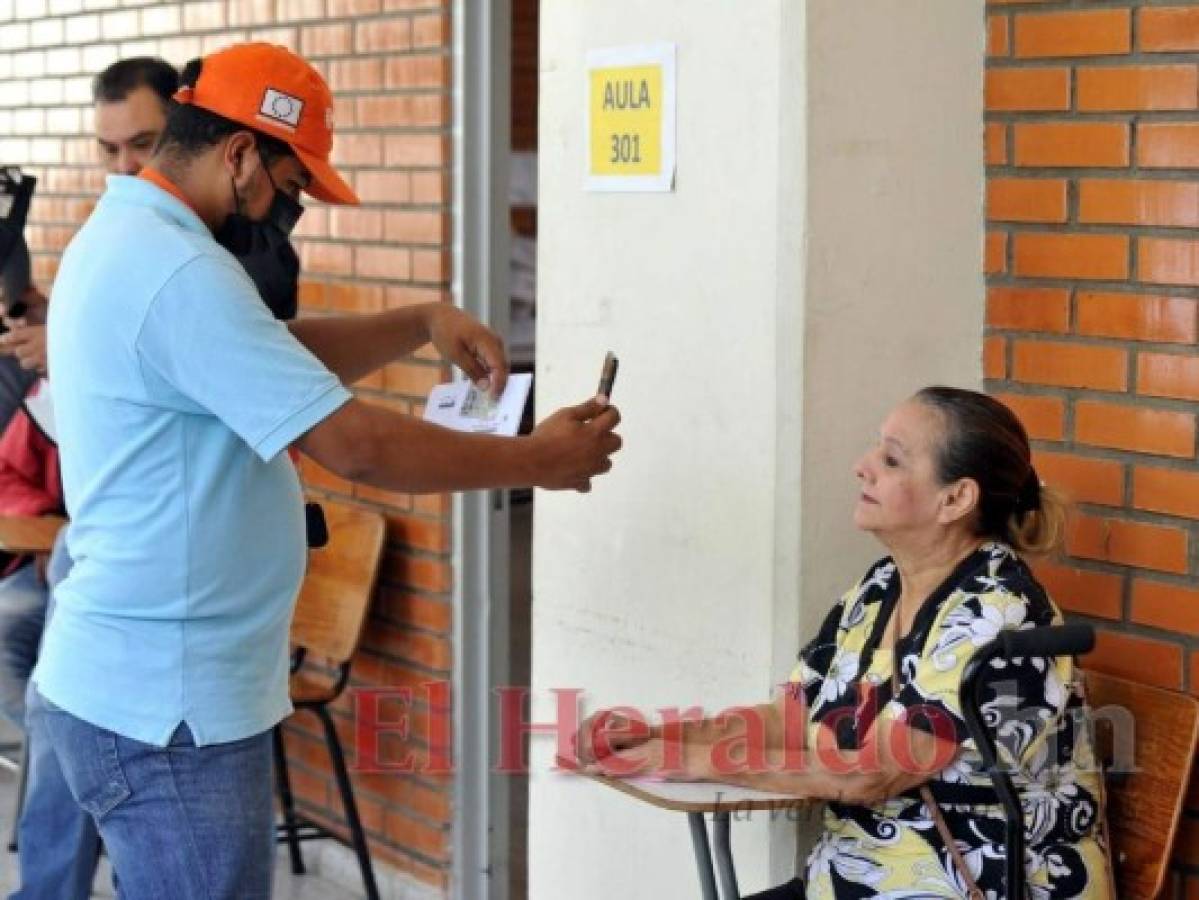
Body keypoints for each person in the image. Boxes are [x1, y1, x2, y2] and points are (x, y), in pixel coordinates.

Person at [32, 41, 621, 899]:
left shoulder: (137, 238)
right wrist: (538, 459)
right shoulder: (177, 268)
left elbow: (267, 353)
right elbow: (356, 446)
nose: (291, 212)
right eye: (291, 186)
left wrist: (420, 320)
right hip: (168, 707)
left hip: (147, 685)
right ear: (240, 154)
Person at [577, 387, 1111, 899]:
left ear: (956, 498)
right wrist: (654, 736)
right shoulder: (880, 588)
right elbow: (789, 718)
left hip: (974, 885)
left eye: (892, 459)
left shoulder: (996, 610)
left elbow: (872, 772)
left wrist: (688, 759)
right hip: (856, 881)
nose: (863, 465)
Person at [6, 57, 182, 900]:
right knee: (52, 721)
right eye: (108, 149)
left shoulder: (216, 249)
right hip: (95, 537)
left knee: (60, 723)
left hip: (160, 559)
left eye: (141, 144)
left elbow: (170, 378)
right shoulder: (113, 236)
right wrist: (57, 326)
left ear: (187, 131)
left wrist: (69, 350)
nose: (123, 167)